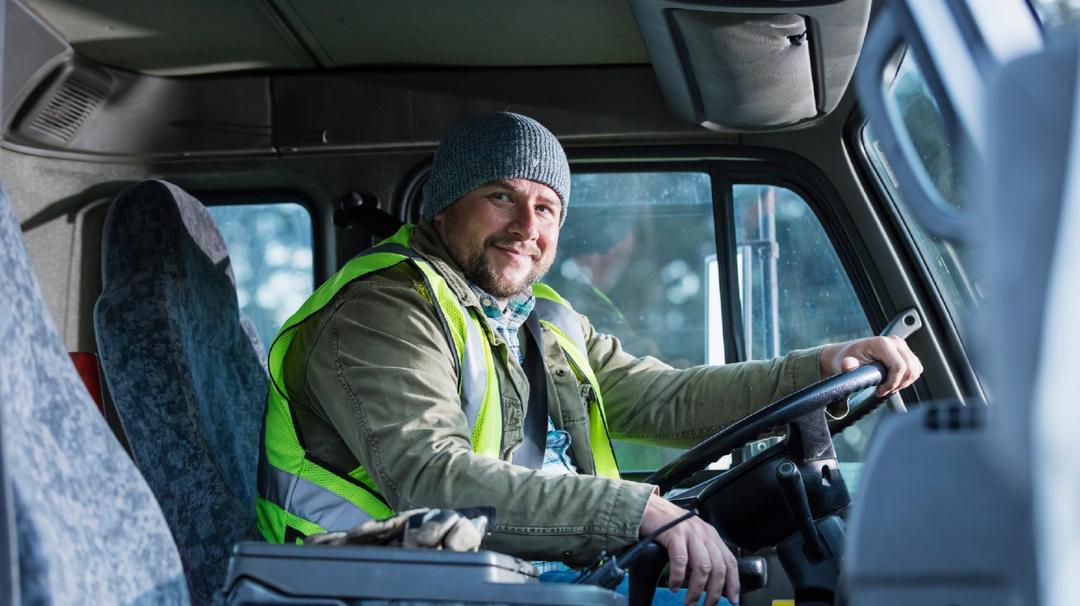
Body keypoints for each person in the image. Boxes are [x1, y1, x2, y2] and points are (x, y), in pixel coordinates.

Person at [256, 112, 923, 606]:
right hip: (395, 588)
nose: (527, 227)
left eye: (546, 207)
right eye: (501, 197)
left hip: (534, 576)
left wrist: (824, 366)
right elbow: (431, 481)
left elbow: (670, 398)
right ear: (442, 205)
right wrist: (639, 510)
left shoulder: (543, 319)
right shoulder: (381, 311)